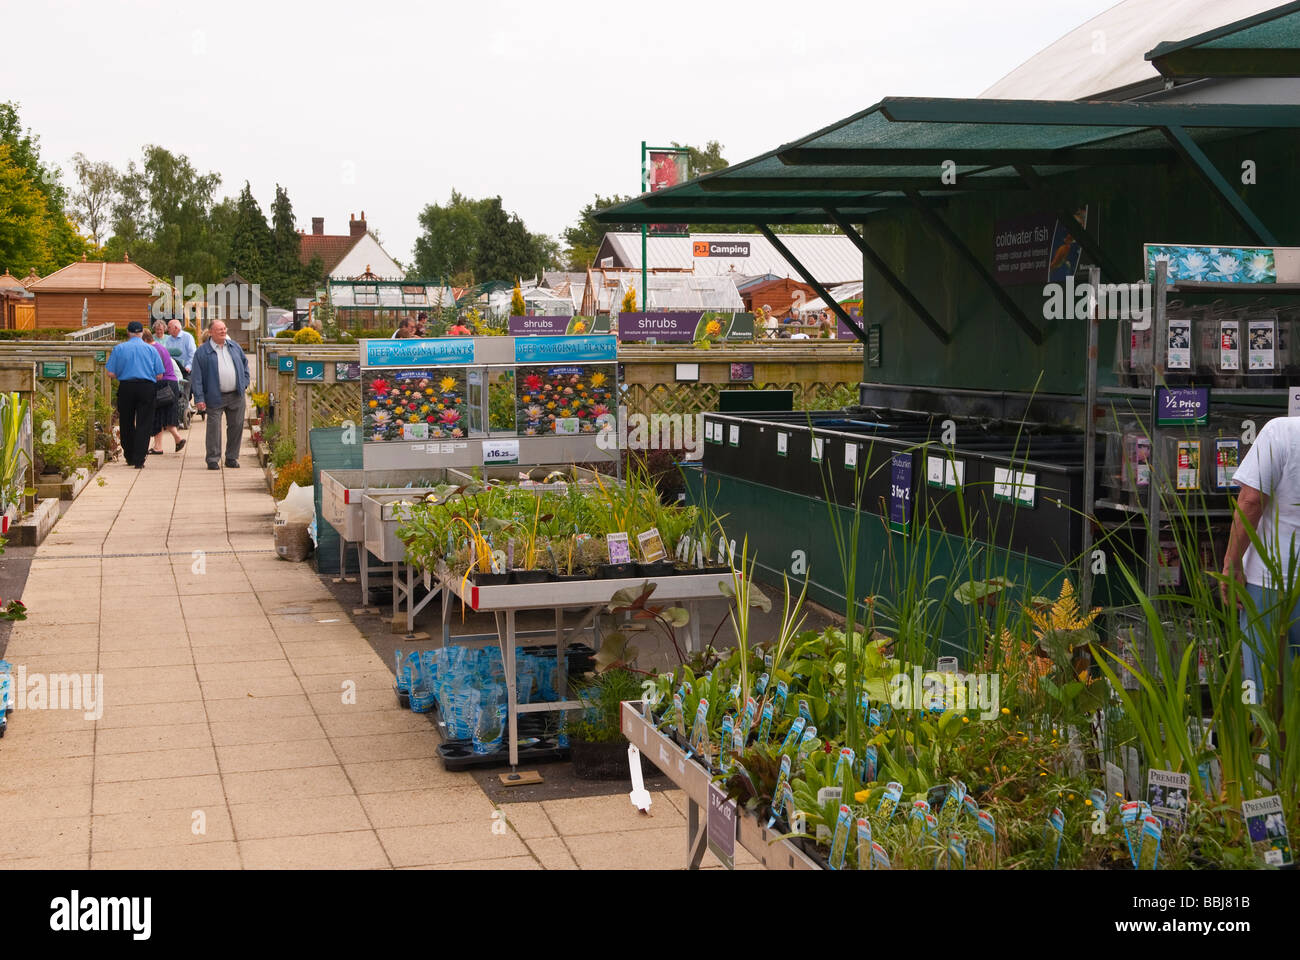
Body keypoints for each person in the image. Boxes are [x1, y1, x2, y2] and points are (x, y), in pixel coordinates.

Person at [1222, 417, 1300, 699]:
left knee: (1268, 694)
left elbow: (1251, 501)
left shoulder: (1282, 431)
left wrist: (1232, 563)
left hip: (1270, 584)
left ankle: (1272, 744)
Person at [190, 320, 250, 470]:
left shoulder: (234, 346)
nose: (223, 332)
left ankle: (231, 457)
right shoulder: (202, 352)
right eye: (219, 330)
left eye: (224, 329)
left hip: (236, 395)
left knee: (236, 426)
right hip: (214, 396)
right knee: (214, 428)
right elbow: (196, 378)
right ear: (211, 333)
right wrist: (199, 398)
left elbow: (245, 365)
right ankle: (212, 459)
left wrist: (244, 383)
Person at [106, 321, 164, 468]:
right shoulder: (151, 349)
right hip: (146, 387)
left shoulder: (119, 348)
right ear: (141, 333)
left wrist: (123, 372)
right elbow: (159, 375)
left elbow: (110, 373)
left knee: (126, 421)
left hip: (126, 387)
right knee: (144, 423)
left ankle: (129, 455)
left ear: (128, 332)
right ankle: (139, 459)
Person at [143, 329, 185, 455]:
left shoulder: (152, 350)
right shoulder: (160, 347)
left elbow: (156, 371)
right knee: (165, 414)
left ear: (144, 340)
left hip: (162, 383)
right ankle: (173, 440)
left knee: (157, 414)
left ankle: (159, 446)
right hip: (172, 384)